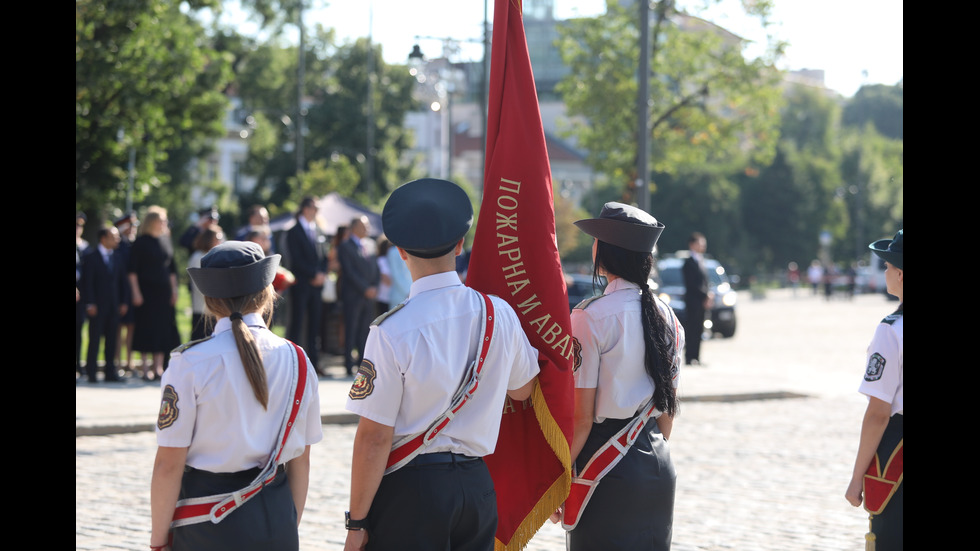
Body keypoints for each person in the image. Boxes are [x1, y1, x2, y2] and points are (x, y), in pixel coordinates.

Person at [343, 178, 539, 551]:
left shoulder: (391, 330)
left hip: (412, 488)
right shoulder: (499, 313)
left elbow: (374, 437)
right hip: (476, 483)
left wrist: (356, 523)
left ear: (401, 252)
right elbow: (523, 389)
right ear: (461, 244)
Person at [150, 241, 322, 551]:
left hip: (208, 521)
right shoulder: (298, 359)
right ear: (268, 292)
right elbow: (301, 459)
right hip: (276, 514)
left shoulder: (188, 364)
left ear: (209, 301)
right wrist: (287, 525)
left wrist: (158, 542)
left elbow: (168, 465)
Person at [563, 202, 683, 551]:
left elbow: (582, 418)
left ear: (602, 252)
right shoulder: (670, 317)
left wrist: (558, 482)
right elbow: (668, 414)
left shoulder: (590, 317)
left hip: (605, 467)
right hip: (658, 462)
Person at [845, 229, 903, 550]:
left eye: (887, 266)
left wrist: (856, 479)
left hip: (897, 453)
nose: (884, 272)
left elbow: (879, 413)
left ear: (901, 274)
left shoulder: (891, 331)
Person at [128, 206, 182, 381]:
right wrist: (136, 292)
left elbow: (172, 269)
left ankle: (158, 367)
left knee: (163, 328)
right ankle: (145, 368)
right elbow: (132, 271)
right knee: (146, 327)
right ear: (152, 222)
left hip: (163, 293)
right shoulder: (140, 242)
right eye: (162, 220)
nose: (165, 224)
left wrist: (174, 290)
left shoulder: (166, 241)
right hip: (146, 292)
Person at [80, 226, 130, 382]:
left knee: (111, 340)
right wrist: (89, 303)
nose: (117, 239)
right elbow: (87, 283)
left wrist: (124, 302)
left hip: (114, 306)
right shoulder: (90, 257)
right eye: (114, 236)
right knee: (94, 339)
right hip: (97, 306)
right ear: (103, 238)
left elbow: (123, 282)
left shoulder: (117, 257)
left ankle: (110, 372)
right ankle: (92, 372)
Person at [285, 197, 328, 375]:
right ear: (304, 208)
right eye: (313, 207)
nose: (316, 211)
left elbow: (324, 255)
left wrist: (322, 274)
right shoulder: (294, 231)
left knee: (315, 323)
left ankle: (314, 362)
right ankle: (294, 362)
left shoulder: (318, 229)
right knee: (297, 322)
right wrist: (313, 274)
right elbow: (295, 259)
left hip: (316, 286)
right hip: (301, 284)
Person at [337, 215, 380, 376]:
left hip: (369, 296)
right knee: (351, 329)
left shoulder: (370, 244)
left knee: (365, 330)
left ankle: (363, 363)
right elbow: (349, 271)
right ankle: (348, 364)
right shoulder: (345, 246)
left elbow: (375, 269)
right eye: (364, 225)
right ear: (354, 227)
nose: (367, 228)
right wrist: (364, 288)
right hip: (354, 295)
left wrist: (374, 286)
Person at [187, 226, 225, 341]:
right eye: (218, 238)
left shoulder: (214, 256)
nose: (220, 241)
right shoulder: (198, 257)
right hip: (202, 309)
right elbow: (199, 284)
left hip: (215, 308)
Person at [682, 232, 711, 365]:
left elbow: (705, 282)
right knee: (692, 329)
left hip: (701, 302)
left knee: (699, 329)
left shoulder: (701, 261)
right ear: (692, 244)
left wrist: (708, 295)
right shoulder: (688, 263)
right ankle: (689, 357)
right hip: (693, 301)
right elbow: (693, 284)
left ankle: (696, 357)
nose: (703, 246)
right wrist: (705, 295)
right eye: (700, 243)